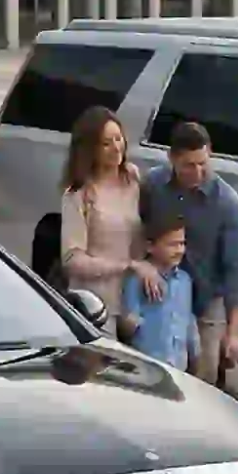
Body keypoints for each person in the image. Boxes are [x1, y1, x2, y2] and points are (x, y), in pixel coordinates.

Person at [140, 121, 238, 387]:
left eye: (203, 162)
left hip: (205, 299)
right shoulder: (153, 185)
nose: (199, 172)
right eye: (190, 165)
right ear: (172, 159)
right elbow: (138, 232)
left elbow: (236, 270)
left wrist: (234, 334)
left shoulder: (227, 203)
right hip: (162, 292)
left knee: (206, 372)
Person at [57, 105, 146, 320]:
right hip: (97, 303)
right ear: (90, 150)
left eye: (118, 139)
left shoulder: (132, 177)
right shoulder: (78, 194)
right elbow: (72, 260)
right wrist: (124, 266)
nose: (116, 148)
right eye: (106, 144)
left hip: (135, 300)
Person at [120, 210, 198, 372]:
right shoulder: (136, 279)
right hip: (148, 363)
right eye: (172, 244)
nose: (180, 250)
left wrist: (195, 350)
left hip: (178, 363)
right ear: (150, 247)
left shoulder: (184, 280)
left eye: (182, 243)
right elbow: (129, 323)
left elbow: (187, 319)